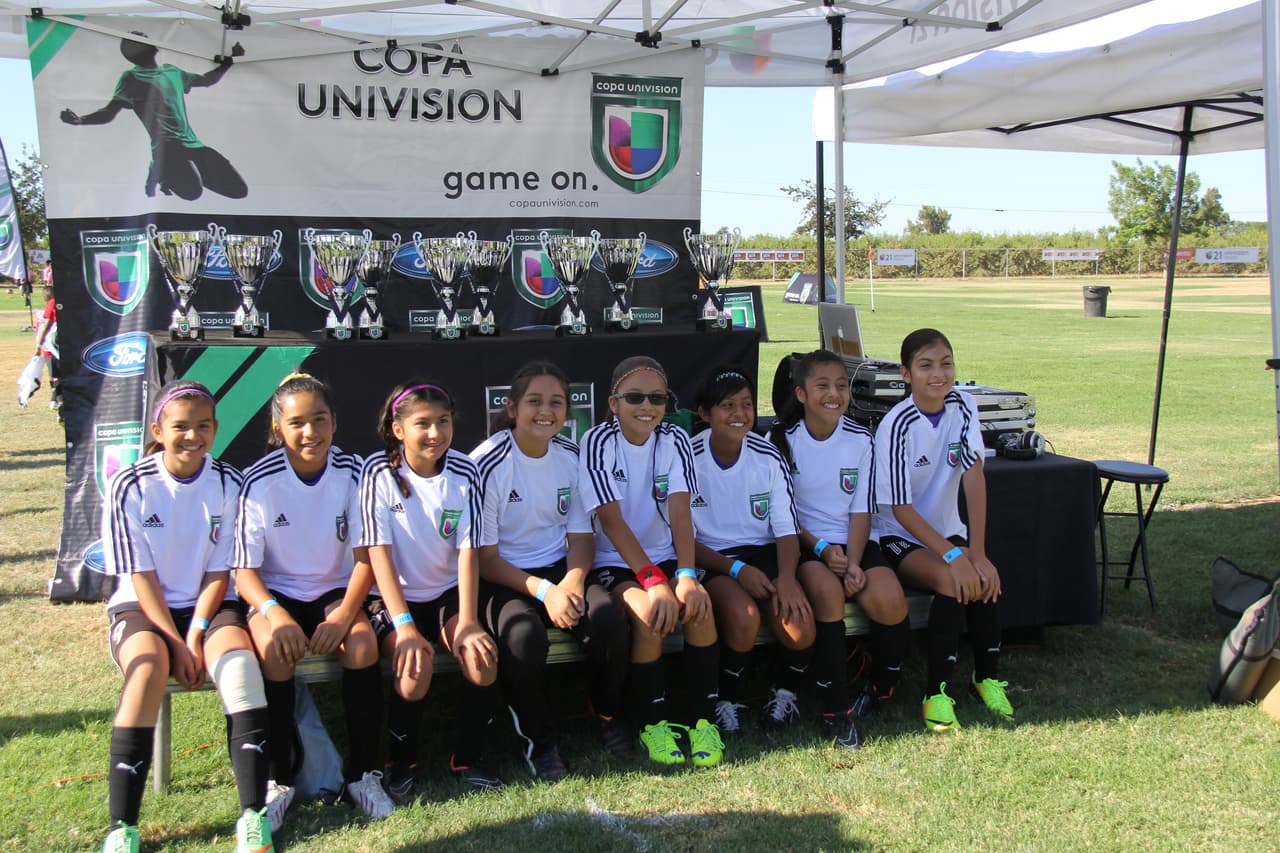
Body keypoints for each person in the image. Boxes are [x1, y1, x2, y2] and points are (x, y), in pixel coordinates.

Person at [99, 380, 272, 853]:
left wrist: (194, 634)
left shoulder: (229, 483)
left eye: (203, 426)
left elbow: (221, 570)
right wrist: (173, 643)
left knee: (239, 668)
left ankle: (253, 817)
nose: (192, 436)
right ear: (158, 429)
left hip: (209, 607)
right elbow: (140, 575)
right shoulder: (129, 485)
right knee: (148, 668)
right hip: (141, 603)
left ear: (216, 430)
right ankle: (122, 828)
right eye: (180, 427)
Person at [233, 373, 387, 823]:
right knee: (273, 651)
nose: (310, 432)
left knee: (361, 645)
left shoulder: (355, 472)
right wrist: (273, 614)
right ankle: (278, 779)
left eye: (320, 420)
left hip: (337, 594)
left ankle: (363, 774)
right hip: (277, 595)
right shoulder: (257, 480)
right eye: (297, 422)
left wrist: (343, 615)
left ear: (335, 423)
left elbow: (367, 558)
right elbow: (244, 572)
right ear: (278, 428)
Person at [470, 362, 630, 780]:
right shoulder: (486, 464)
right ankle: (540, 743)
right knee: (522, 637)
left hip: (559, 569)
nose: (546, 411)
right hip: (505, 576)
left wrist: (573, 581)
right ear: (511, 409)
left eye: (556, 402)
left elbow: (581, 537)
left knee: (607, 617)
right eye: (535, 402)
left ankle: (607, 713)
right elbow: (484, 558)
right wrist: (546, 592)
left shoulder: (572, 458)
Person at [359, 380, 504, 799]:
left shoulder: (465, 471)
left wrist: (471, 621)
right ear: (398, 429)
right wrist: (404, 627)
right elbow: (377, 554)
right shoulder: (378, 472)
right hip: (392, 599)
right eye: (422, 423)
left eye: (443, 422)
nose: (435, 433)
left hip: (444, 596)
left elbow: (468, 552)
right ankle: (401, 764)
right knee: (414, 665)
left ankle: (469, 758)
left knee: (482, 659)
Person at [579, 356, 724, 768]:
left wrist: (684, 576)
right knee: (648, 615)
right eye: (635, 397)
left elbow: (681, 513)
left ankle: (701, 721)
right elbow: (611, 519)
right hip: (616, 561)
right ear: (613, 402)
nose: (647, 406)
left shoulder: (675, 439)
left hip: (665, 558)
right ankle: (654, 723)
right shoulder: (596, 441)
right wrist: (652, 581)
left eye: (657, 398)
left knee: (699, 608)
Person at [874, 328, 1013, 732]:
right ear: (905, 374)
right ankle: (935, 693)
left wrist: (978, 553)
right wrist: (955, 557)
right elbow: (900, 509)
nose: (939, 374)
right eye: (926, 365)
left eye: (946, 363)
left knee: (985, 578)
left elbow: (974, 478)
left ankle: (985, 679)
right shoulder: (896, 425)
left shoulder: (964, 405)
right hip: (899, 535)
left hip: (946, 531)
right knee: (954, 581)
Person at [767, 350, 909, 745]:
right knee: (828, 596)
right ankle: (836, 709)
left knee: (889, 600)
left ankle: (881, 687)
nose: (834, 394)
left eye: (842, 386)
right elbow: (785, 515)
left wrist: (855, 562)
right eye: (823, 386)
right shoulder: (780, 440)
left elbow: (862, 508)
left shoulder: (862, 438)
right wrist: (825, 549)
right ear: (801, 393)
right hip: (806, 546)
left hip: (855, 544)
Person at [688, 367, 824, 741]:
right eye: (727, 405)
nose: (739, 414)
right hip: (712, 558)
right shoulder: (688, 457)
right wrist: (734, 569)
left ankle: (784, 693)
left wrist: (787, 578)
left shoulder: (767, 454)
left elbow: (785, 528)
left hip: (763, 554)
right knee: (743, 617)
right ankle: (727, 700)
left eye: (746, 405)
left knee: (799, 625)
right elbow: (681, 539)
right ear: (704, 414)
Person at [60, 33, 247, 201]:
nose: (147, 39)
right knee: (193, 193)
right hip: (167, 148)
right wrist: (80, 120)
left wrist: (228, 61)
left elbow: (208, 80)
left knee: (239, 191)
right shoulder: (130, 78)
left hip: (193, 144)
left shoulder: (172, 72)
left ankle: (173, 174)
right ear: (136, 51)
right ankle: (163, 172)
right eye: (141, 39)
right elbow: (109, 113)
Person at [33, 282, 61, 413]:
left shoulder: (51, 304)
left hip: (52, 345)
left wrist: (38, 344)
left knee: (55, 375)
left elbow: (46, 325)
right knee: (59, 375)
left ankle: (56, 400)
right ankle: (57, 400)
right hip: (63, 343)